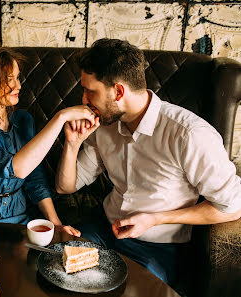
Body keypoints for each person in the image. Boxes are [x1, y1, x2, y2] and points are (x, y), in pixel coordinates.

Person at [55, 38, 241, 285]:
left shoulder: (190, 134)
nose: (84, 99)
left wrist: (155, 218)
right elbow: (65, 187)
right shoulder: (104, 125)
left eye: (91, 90)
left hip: (158, 248)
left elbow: (232, 207)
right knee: (55, 268)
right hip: (102, 229)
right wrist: (72, 143)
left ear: (119, 92)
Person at [0, 45, 96, 236]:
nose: (18, 86)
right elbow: (14, 168)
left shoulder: (24, 121)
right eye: (10, 80)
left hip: (19, 219)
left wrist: (56, 224)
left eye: (17, 77)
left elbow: (34, 178)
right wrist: (60, 117)